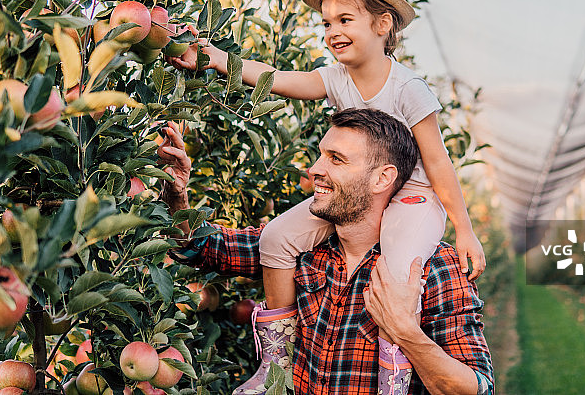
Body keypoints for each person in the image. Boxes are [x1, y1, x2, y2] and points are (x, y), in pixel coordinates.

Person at [168, 0, 486, 393]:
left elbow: (437, 164)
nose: (333, 32)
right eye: (326, 24)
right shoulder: (335, 78)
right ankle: (275, 365)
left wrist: (464, 230)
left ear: (382, 24)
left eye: (345, 20)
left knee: (399, 274)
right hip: (363, 200)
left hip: (411, 197)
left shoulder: (408, 89)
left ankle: (394, 377)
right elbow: (277, 79)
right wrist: (218, 59)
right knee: (277, 239)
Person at [158, 109, 494, 395]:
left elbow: (477, 387)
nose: (316, 169)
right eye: (322, 154)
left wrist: (405, 331)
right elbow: (199, 249)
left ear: (382, 179)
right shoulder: (301, 247)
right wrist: (176, 195)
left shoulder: (433, 267)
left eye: (336, 159)